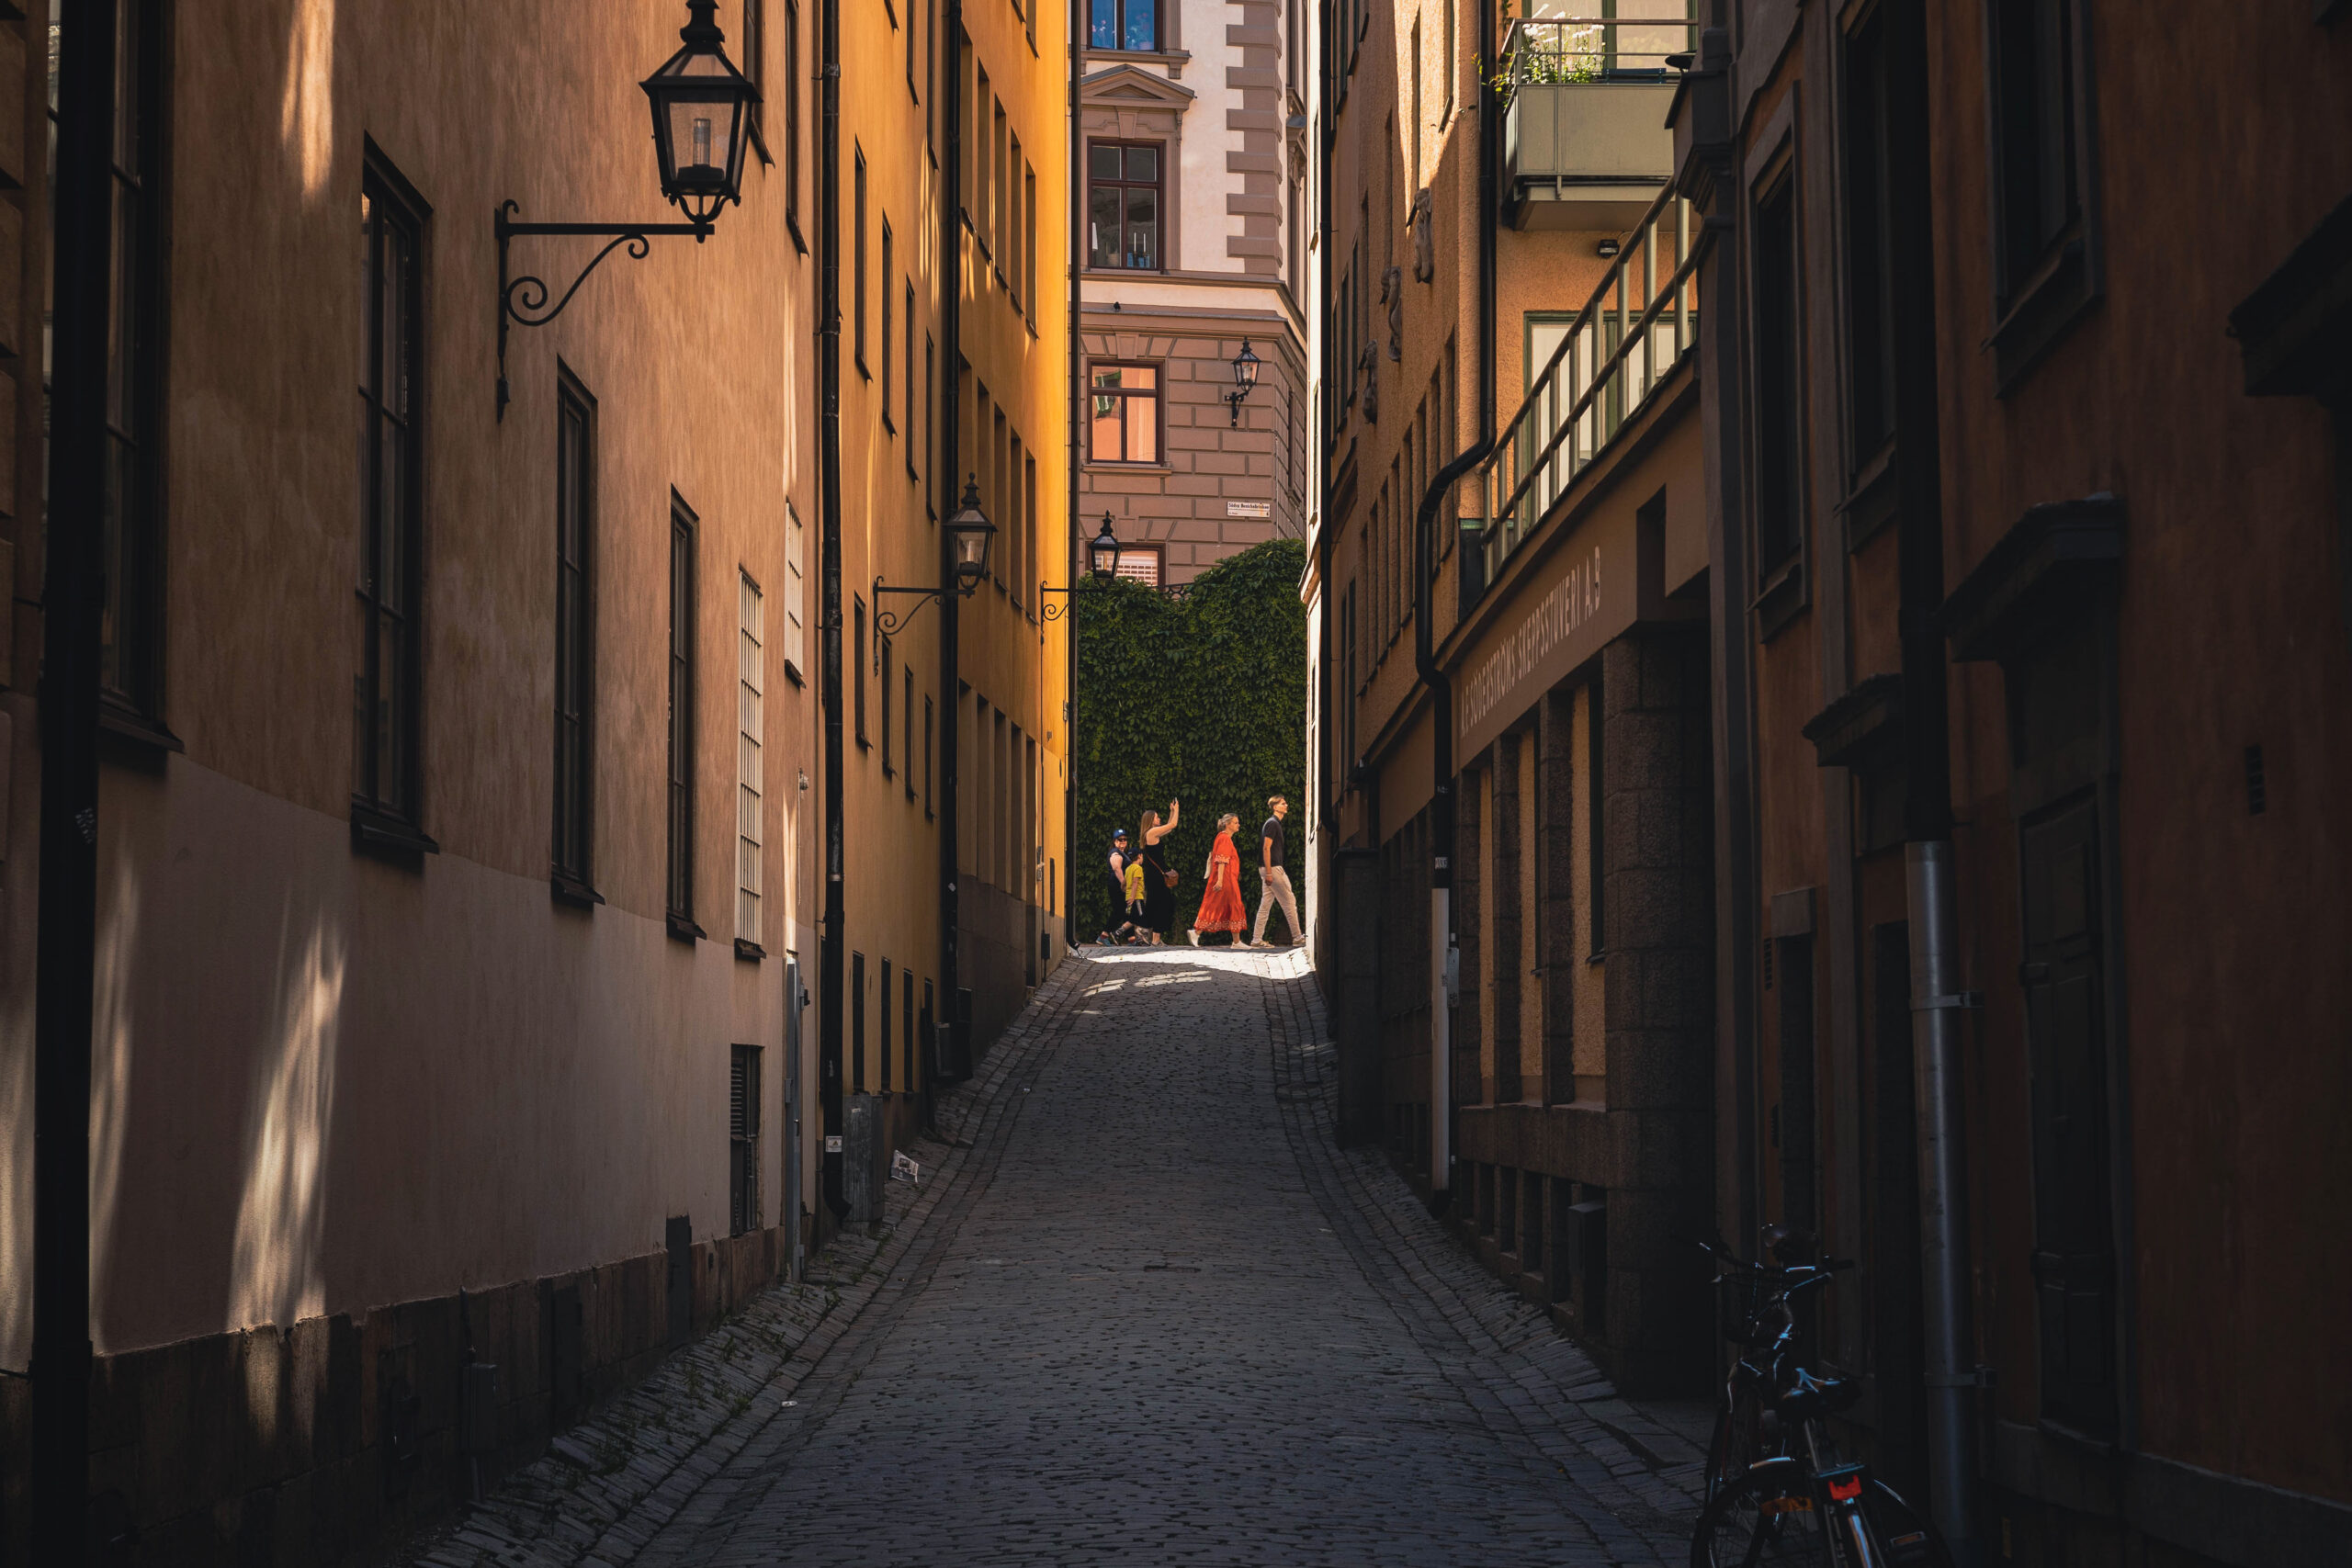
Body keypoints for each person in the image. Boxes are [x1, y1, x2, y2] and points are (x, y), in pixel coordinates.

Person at [1250, 795, 1304, 947]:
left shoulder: (1274, 823)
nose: (1286, 805)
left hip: (1269, 868)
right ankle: (1298, 937)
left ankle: (1256, 940)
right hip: (1272, 868)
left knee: (1265, 904)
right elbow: (1266, 847)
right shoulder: (1273, 824)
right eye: (1283, 803)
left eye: (1286, 803)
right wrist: (1268, 873)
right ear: (1275, 807)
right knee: (1289, 902)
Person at [1189, 812, 1249, 944]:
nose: (1238, 825)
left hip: (1227, 877)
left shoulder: (1222, 837)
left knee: (1221, 905)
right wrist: (1220, 880)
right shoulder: (1225, 838)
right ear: (1227, 824)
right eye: (1235, 823)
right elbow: (1222, 860)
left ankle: (1235, 941)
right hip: (1226, 877)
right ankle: (1198, 932)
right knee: (1229, 904)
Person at [1135, 799, 1181, 944]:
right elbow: (1173, 825)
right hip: (1156, 876)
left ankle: (1148, 931)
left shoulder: (1151, 833)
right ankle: (1152, 936)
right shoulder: (1152, 833)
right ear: (1150, 820)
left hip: (1154, 875)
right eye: (1156, 817)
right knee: (1164, 904)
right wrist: (1177, 809)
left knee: (1157, 903)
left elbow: (1169, 827)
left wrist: (1172, 811)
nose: (1159, 818)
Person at [1099, 828, 1138, 945]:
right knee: (1120, 911)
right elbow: (1117, 868)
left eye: (1125, 839)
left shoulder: (1121, 853)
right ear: (1115, 841)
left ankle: (1131, 939)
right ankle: (1103, 935)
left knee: (1126, 911)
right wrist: (1124, 884)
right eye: (1120, 840)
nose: (1123, 842)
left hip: (1117, 884)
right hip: (1117, 885)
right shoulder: (1115, 853)